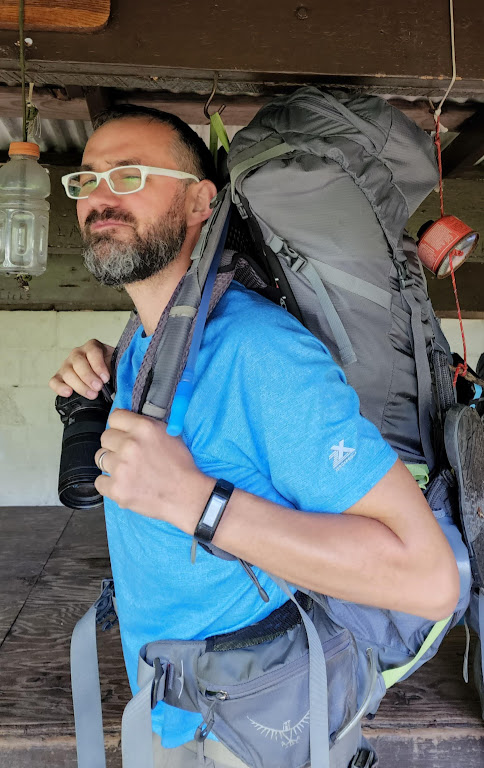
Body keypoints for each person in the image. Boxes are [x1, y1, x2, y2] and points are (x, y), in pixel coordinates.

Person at [49, 105, 460, 767]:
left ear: (200, 203)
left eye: (130, 176)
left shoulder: (258, 353)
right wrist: (95, 390)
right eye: (87, 179)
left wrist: (196, 502)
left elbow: (428, 579)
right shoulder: (146, 343)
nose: (100, 196)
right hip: (172, 706)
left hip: (249, 731)